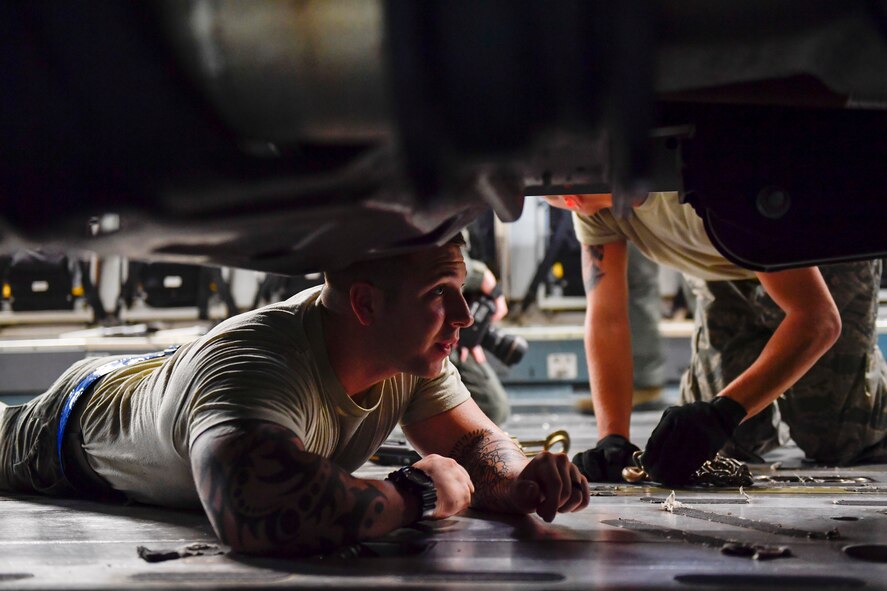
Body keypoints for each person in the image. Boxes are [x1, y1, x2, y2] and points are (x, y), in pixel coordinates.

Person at [0, 235, 589, 556]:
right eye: (441, 293)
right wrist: (414, 490)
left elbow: (473, 441)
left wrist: (518, 481)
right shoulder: (256, 363)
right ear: (365, 305)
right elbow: (257, 513)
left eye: (461, 290)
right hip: (68, 426)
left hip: (158, 381)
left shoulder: (409, 353)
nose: (463, 316)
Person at [545, 192, 887, 486]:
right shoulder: (590, 204)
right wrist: (612, 436)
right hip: (727, 269)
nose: (563, 200)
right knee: (718, 445)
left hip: (818, 254)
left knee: (838, 436)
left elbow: (818, 319)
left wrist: (723, 412)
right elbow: (607, 319)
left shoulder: (706, 182)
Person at [453, 251, 511, 426]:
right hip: (420, 323)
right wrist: (481, 276)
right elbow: (434, 262)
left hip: (456, 332)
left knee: (493, 407)